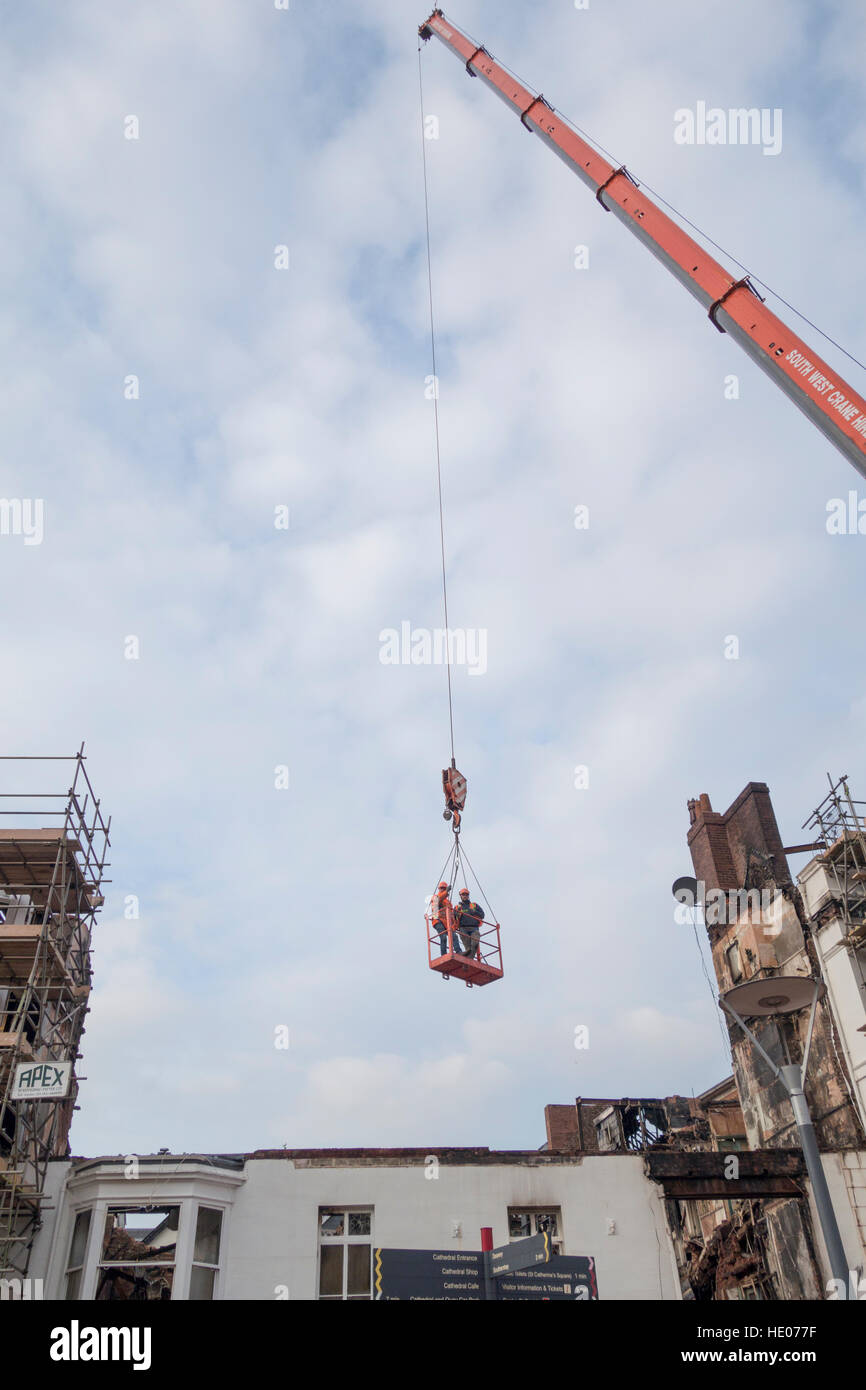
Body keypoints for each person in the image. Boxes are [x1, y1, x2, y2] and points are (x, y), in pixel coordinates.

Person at [455, 888, 484, 959]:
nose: (465, 896)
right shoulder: (457, 907)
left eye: (466, 894)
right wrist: (457, 913)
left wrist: (474, 912)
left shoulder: (474, 905)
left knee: (475, 943)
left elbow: (482, 915)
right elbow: (453, 918)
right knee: (468, 948)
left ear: (468, 896)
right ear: (460, 896)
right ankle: (469, 960)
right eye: (463, 894)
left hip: (474, 928)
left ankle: (468, 960)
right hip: (463, 929)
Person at [432, 881, 453, 956]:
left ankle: (459, 951)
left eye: (444, 888)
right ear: (439, 889)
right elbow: (437, 900)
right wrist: (446, 892)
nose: (443, 890)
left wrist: (454, 925)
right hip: (437, 921)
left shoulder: (448, 902)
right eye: (441, 888)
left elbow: (451, 915)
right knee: (443, 937)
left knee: (454, 936)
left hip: (446, 922)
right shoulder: (435, 897)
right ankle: (444, 955)